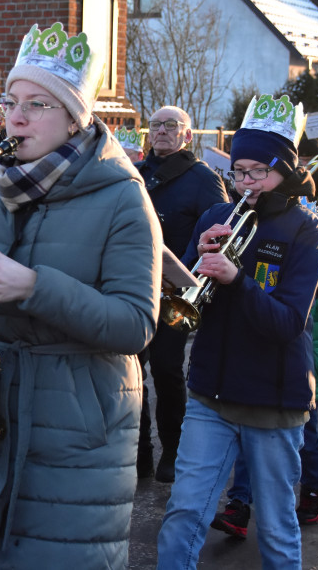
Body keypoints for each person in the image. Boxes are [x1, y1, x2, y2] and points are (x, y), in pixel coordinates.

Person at [0, 22, 161, 569]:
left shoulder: (125, 199)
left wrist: (34, 287)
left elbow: (136, 324)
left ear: (74, 118)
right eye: (11, 101)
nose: (15, 117)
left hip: (78, 430)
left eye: (37, 104)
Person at [156, 94, 318, 570]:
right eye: (238, 172)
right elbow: (190, 295)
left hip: (275, 401)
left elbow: (289, 322)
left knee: (275, 525)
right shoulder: (216, 218)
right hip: (210, 393)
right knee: (184, 512)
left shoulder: (306, 229)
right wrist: (192, 265)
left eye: (257, 172)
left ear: (284, 172)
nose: (245, 183)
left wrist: (237, 279)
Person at [210, 271, 318, 538]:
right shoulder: (267, 270)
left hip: (304, 380)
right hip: (262, 371)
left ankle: (313, 491)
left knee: (306, 440)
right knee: (248, 438)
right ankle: (239, 505)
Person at [135, 106, 228, 482]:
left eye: (171, 125)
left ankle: (172, 451)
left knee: (168, 371)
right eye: (155, 125)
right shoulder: (136, 173)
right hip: (136, 286)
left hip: (176, 292)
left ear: (187, 135)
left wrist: (186, 270)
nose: (161, 131)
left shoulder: (203, 178)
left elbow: (219, 233)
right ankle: (138, 452)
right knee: (130, 371)